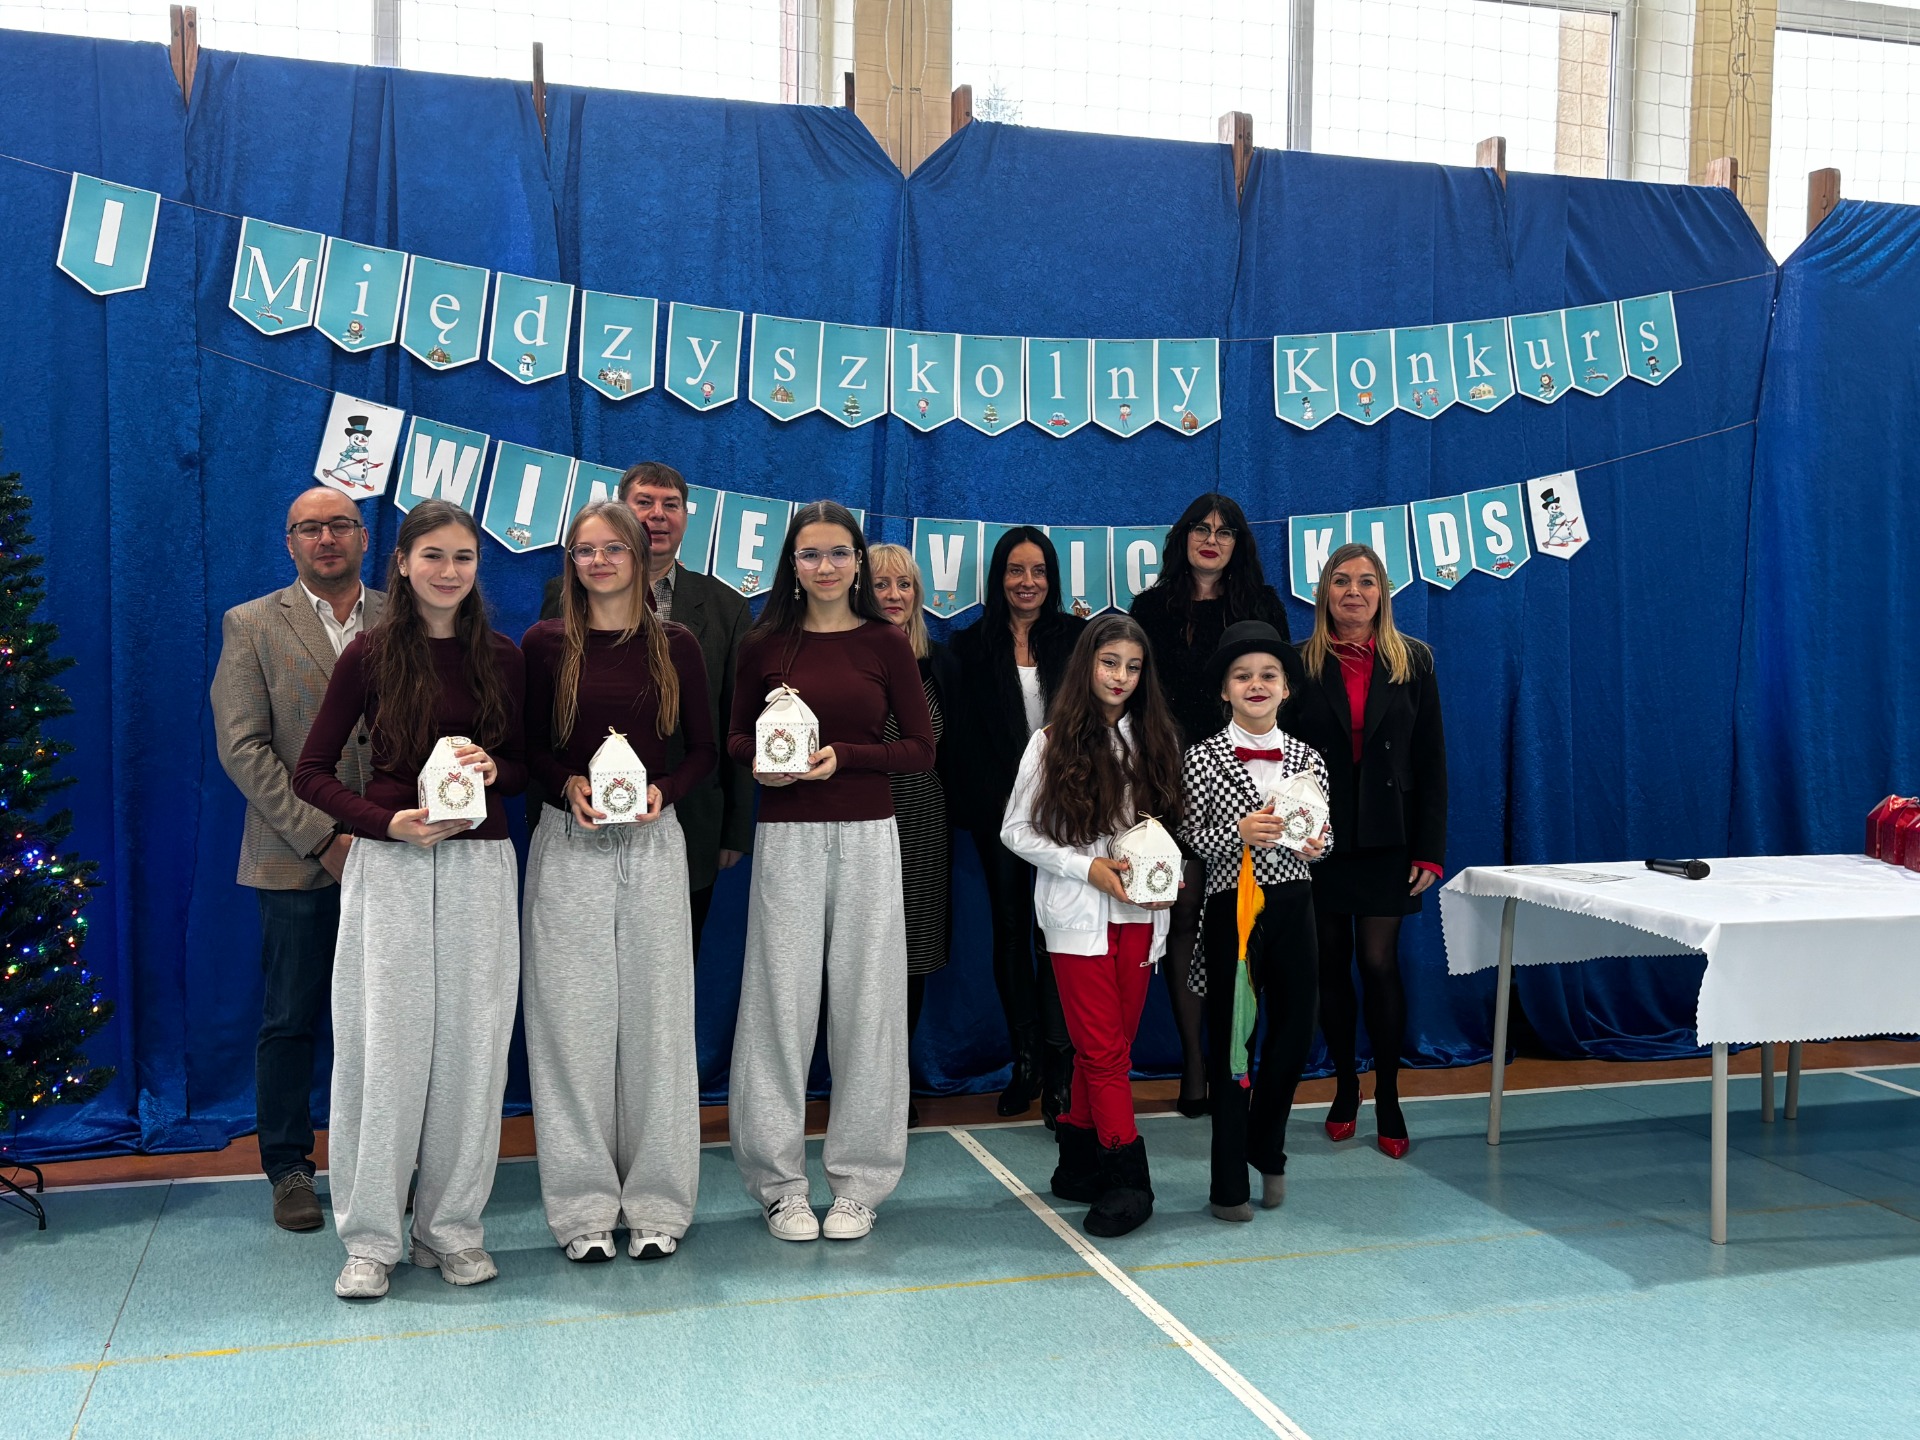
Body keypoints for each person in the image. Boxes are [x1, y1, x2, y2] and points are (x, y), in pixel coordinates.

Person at [292, 498, 525, 1300]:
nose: (448, 571)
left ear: (477, 567)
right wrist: (383, 822)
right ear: (400, 562)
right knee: (382, 1049)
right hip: (391, 867)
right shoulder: (369, 654)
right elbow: (311, 772)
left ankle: (450, 1230)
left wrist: (497, 769)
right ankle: (370, 1239)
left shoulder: (502, 656)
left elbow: (527, 767)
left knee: (472, 1049)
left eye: (463, 557)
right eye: (433, 556)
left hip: (480, 867)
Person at [726, 502, 934, 1243]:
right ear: (792, 563)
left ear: (858, 562)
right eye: (810, 554)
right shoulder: (764, 645)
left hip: (868, 836)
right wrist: (761, 764)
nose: (825, 567)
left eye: (839, 553)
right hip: (786, 838)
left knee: (868, 1009)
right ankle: (779, 1186)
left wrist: (846, 757)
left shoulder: (885, 643)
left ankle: (859, 1183)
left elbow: (920, 748)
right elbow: (734, 735)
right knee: (777, 1010)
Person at [520, 501, 714, 1264]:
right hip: (569, 847)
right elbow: (526, 750)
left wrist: (667, 790)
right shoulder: (543, 644)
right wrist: (566, 783)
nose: (598, 561)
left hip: (654, 845)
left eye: (612, 549)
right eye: (584, 550)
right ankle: (583, 1212)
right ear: (570, 562)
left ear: (639, 555)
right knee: (572, 1032)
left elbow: (703, 749)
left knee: (658, 1029)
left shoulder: (677, 644)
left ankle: (660, 1204)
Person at [211, 486, 385, 1233]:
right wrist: (323, 837)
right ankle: (288, 1168)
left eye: (340, 524)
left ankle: (382, 1164)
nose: (326, 538)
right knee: (289, 1018)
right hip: (294, 858)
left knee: (386, 1018)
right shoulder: (251, 623)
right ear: (289, 543)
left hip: (393, 852)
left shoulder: (404, 617)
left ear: (364, 537)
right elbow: (244, 748)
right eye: (309, 528)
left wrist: (381, 830)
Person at [1001, 614, 1183, 1238]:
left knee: (1106, 1052)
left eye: (1133, 666)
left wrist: (1166, 872)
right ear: (1087, 666)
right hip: (1077, 919)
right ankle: (1129, 1179)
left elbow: (1166, 830)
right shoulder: (1049, 742)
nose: (1121, 677)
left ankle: (1078, 1163)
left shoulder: (1157, 738)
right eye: (1110, 663)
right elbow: (1016, 832)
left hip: (1143, 918)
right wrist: (1086, 868)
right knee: (1104, 1054)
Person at [538, 462, 752, 959]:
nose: (658, 514)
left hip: (686, 819)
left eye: (671, 505)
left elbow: (732, 719)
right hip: (578, 818)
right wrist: (557, 791)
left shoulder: (725, 607)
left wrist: (735, 827)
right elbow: (545, 716)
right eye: (644, 502)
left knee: (665, 972)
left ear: (686, 517)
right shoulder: (561, 598)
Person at [1131, 493, 1291, 1118]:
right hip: (1170, 779)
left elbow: (1277, 695)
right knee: (1184, 919)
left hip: (1247, 778)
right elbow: (1138, 698)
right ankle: (1194, 1065)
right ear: (1184, 536)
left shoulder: (1262, 605)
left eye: (1225, 532)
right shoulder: (1151, 608)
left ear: (1239, 544)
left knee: (1243, 920)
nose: (1212, 539)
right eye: (1202, 527)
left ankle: (1236, 1057)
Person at [1289, 543, 1447, 1158]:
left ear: (1383, 593)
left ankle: (1388, 1095)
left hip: (1389, 838)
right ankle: (1345, 1086)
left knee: (1378, 964)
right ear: (1323, 592)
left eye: (1366, 581)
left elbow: (1431, 760)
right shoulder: (1299, 662)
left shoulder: (1414, 661)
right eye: (1340, 581)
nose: (1353, 592)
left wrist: (1429, 850)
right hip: (1320, 842)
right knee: (1329, 966)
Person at [1179, 622, 1330, 1221]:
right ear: (1225, 690)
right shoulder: (1201, 758)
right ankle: (1227, 1183)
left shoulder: (1309, 759)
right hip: (1231, 908)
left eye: (1268, 675)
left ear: (1286, 688)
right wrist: (1237, 833)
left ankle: (1268, 1148)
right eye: (1242, 676)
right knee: (1231, 1041)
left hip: (1295, 904)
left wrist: (1317, 846)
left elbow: (1324, 835)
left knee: (1294, 1033)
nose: (1256, 684)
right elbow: (1190, 839)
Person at [951, 527, 1088, 1123]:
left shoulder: (1079, 641)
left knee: (1055, 935)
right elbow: (962, 739)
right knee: (1010, 931)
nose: (1027, 582)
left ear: (1052, 579)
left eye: (1037, 571)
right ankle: (1025, 1062)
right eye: (1015, 570)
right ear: (998, 577)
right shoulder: (969, 646)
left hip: (1069, 813)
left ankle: (1060, 1071)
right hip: (999, 814)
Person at [867, 543, 962, 1126]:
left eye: (904, 585)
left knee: (912, 954)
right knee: (859, 956)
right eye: (881, 584)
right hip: (860, 818)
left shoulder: (939, 664)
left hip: (924, 821)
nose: (894, 596)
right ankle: (861, 1084)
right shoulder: (844, 656)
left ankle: (895, 1084)